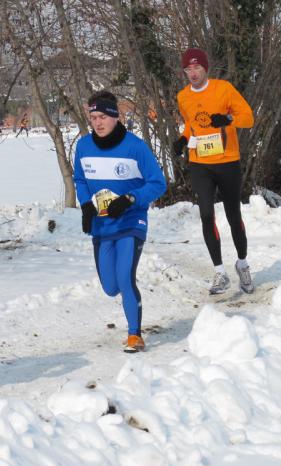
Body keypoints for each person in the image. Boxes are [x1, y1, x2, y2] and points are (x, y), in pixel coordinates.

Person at [74, 91, 166, 353]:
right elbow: (79, 179)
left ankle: (134, 335)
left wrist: (130, 199)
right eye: (93, 117)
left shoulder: (135, 146)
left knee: (125, 278)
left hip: (131, 220)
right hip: (102, 226)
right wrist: (86, 206)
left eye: (103, 116)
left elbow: (158, 183)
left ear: (116, 117)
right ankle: (130, 320)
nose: (98, 123)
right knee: (110, 287)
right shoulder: (83, 146)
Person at [173, 48, 255, 295]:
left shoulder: (224, 89)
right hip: (200, 163)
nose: (193, 73)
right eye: (188, 69)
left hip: (228, 160)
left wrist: (228, 120)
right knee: (207, 215)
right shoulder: (183, 97)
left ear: (206, 68)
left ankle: (242, 264)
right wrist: (182, 139)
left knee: (233, 215)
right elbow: (191, 123)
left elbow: (248, 117)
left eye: (197, 68)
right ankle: (220, 272)